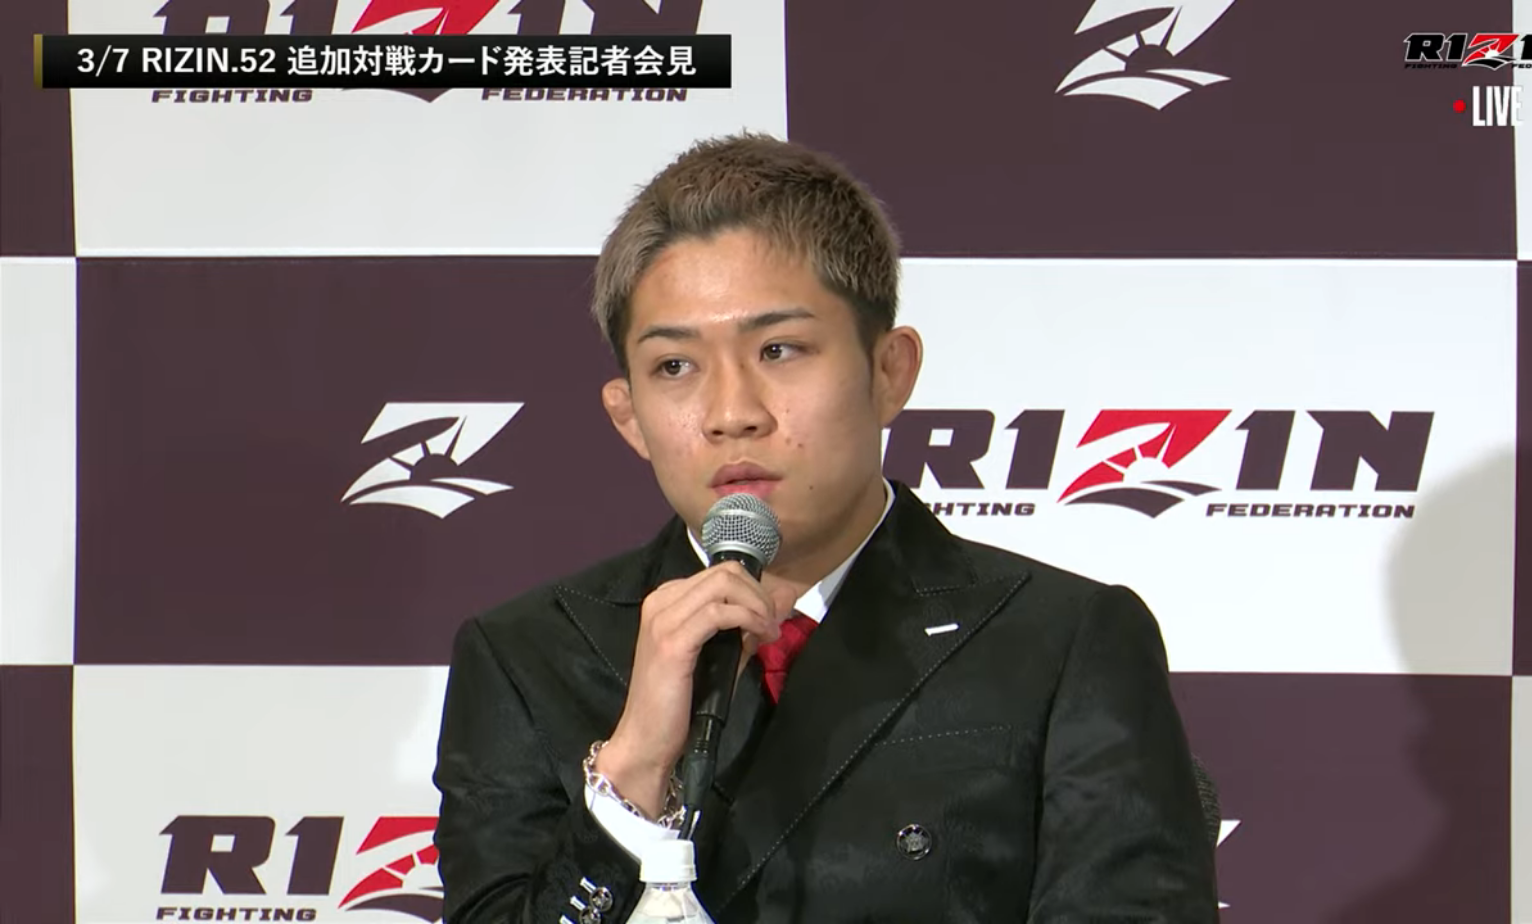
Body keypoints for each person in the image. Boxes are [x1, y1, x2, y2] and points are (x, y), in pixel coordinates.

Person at [431, 132, 1219, 923]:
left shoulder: (1062, 641)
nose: (732, 413)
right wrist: (630, 777)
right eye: (675, 366)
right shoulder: (528, 656)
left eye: (779, 349)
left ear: (889, 372)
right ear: (628, 415)